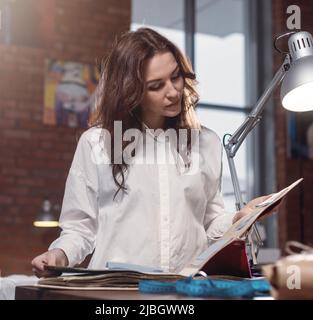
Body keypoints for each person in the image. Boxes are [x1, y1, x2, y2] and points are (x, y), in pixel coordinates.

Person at [32, 28, 275, 277]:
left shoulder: (206, 142)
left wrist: (240, 219)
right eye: (156, 86)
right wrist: (58, 255)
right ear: (131, 92)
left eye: (176, 76)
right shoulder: (96, 143)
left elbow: (210, 222)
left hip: (186, 291)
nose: (173, 91)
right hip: (118, 293)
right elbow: (80, 228)